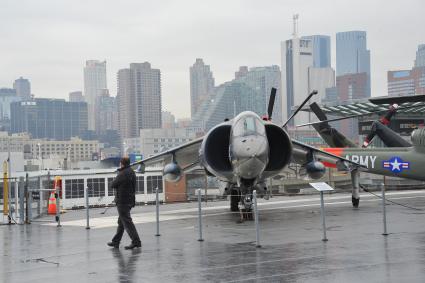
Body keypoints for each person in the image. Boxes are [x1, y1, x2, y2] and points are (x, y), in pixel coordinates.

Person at [107, 157, 142, 249]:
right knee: (121, 222)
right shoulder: (132, 172)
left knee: (127, 222)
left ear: (121, 163)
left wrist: (117, 176)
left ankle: (136, 241)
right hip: (129, 200)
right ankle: (116, 241)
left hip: (122, 201)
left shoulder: (123, 173)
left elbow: (113, 185)